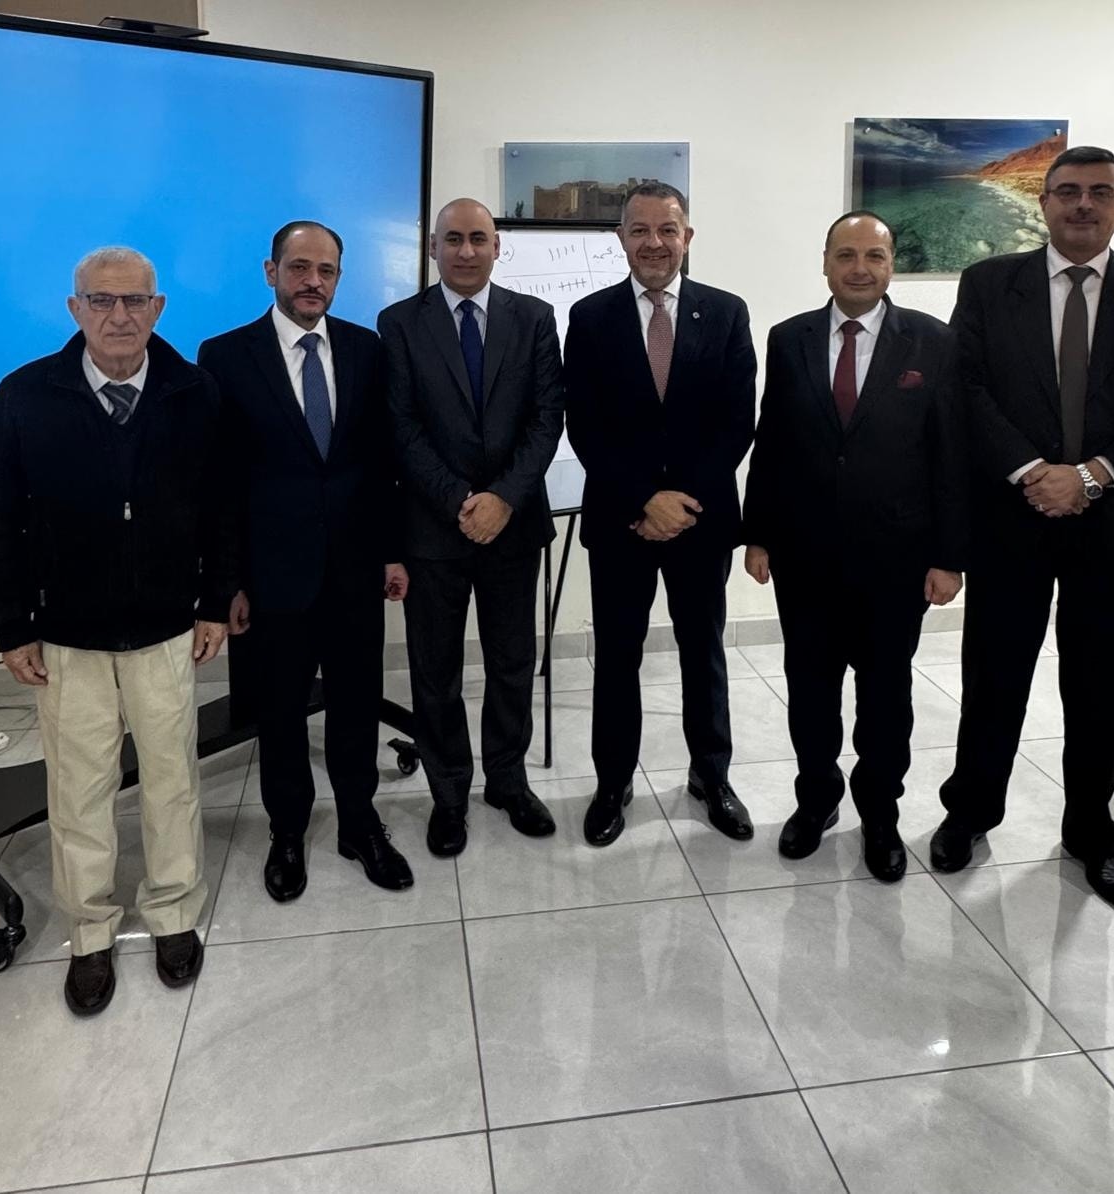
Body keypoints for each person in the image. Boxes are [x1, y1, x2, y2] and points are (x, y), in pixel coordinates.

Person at [931, 146, 1114, 909]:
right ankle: (970, 813)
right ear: (1044, 201)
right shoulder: (989, 283)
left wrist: (1089, 476)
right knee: (994, 681)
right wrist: (1032, 471)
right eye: (1069, 191)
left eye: (1100, 193)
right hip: (1009, 522)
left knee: (1097, 691)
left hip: (1110, 528)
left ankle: (1090, 834)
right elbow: (965, 389)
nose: (1084, 204)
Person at [0, 246, 232, 1015]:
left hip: (165, 628)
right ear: (75, 308)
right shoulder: (25, 396)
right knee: (79, 788)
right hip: (67, 635)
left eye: (135, 301)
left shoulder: (195, 393)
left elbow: (222, 509)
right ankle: (89, 932)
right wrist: (10, 624)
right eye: (102, 300)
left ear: (158, 309)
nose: (120, 316)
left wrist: (215, 602)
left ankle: (174, 913)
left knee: (172, 780)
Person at [742, 212, 966, 881]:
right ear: (825, 262)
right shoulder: (790, 339)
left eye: (874, 255)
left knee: (885, 698)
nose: (860, 268)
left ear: (892, 264)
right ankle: (816, 801)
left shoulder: (933, 341)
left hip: (897, 560)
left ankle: (880, 814)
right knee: (810, 691)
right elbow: (773, 441)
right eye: (846, 255)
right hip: (804, 556)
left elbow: (951, 455)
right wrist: (758, 534)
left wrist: (950, 556)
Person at [199, 221, 412, 902]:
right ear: (271, 272)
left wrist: (392, 551)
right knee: (281, 712)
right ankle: (287, 831)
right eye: (298, 268)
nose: (312, 281)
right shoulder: (225, 356)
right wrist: (226, 583)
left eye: (326, 271)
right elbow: (219, 484)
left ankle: (359, 823)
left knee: (356, 703)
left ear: (339, 278)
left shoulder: (366, 349)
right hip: (272, 578)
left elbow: (383, 463)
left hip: (355, 569)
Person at [564, 182, 757, 847]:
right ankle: (612, 781)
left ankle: (712, 776)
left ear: (687, 237)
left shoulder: (726, 313)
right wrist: (645, 499)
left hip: (701, 520)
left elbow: (736, 422)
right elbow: (586, 426)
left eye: (667, 229)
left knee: (703, 651)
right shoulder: (589, 318)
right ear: (621, 238)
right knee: (618, 656)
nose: (654, 243)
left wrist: (679, 503)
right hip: (621, 520)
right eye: (640, 230)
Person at [379, 199, 565, 857]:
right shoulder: (399, 323)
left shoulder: (534, 318)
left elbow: (547, 417)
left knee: (513, 662)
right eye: (452, 239)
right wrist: (462, 500)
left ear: (496, 247)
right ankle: (449, 793)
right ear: (433, 248)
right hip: (434, 528)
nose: (465, 250)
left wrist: (503, 499)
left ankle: (508, 782)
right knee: (436, 671)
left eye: (478, 238)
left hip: (514, 526)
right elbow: (401, 426)